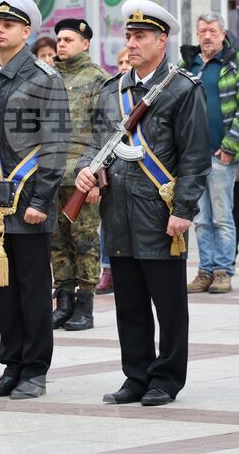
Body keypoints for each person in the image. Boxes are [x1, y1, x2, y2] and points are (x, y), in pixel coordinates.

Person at [75, 0, 209, 407]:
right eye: (129, 36)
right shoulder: (111, 90)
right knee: (128, 302)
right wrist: (86, 170)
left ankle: (166, 379)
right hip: (118, 210)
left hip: (160, 211)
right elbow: (96, 144)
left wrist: (184, 209)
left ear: (161, 40)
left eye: (141, 37)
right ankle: (135, 375)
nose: (131, 44)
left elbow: (195, 155)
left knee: (168, 305)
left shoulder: (183, 89)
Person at [0, 0, 70, 400]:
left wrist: (41, 201)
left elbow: (57, 144)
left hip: (28, 201)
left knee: (31, 291)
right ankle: (11, 365)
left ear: (26, 31)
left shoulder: (45, 79)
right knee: (3, 291)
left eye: (8, 24)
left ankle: (35, 369)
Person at [180, 13, 239, 294]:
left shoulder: (238, 62)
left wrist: (230, 147)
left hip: (222, 155)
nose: (207, 36)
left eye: (212, 30)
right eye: (202, 31)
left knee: (222, 216)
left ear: (223, 34)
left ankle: (224, 271)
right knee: (200, 218)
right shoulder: (189, 65)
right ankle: (205, 271)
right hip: (194, 156)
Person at [51, 18, 108, 331]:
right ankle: (63, 303)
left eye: (68, 39)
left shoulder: (97, 78)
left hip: (83, 177)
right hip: (52, 173)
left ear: (85, 43)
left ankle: (85, 306)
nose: (61, 44)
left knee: (84, 241)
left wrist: (97, 176)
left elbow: (105, 132)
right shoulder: (49, 77)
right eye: (59, 39)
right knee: (58, 243)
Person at [95, 47, 133, 296]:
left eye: (127, 61)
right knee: (107, 224)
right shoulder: (111, 92)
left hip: (137, 171)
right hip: (111, 167)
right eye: (120, 62)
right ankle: (107, 268)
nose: (123, 65)